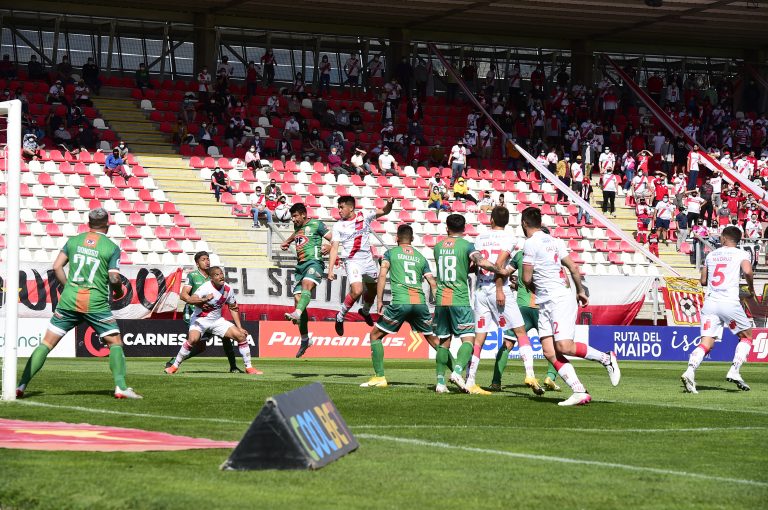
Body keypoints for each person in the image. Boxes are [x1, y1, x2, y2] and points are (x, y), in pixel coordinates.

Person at [16, 208, 141, 399]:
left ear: (88, 223)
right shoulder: (111, 247)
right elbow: (115, 278)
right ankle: (121, 387)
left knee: (46, 344)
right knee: (115, 343)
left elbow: (57, 266)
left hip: (69, 300)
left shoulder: (74, 241)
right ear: (107, 224)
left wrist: (68, 287)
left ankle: (21, 386)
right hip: (95, 303)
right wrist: (117, 292)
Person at [520, 206, 620, 406]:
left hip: (557, 299)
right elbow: (573, 267)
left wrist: (532, 286)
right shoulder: (556, 241)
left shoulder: (530, 244)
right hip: (549, 301)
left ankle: (606, 358)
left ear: (524, 223)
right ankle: (579, 390)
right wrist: (580, 291)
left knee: (564, 346)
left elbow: (526, 278)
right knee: (549, 351)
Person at [462, 207, 543, 396]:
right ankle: (530, 374)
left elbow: (475, 265)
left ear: (491, 220)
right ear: (507, 221)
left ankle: (470, 380)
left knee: (479, 338)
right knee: (520, 332)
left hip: (480, 291)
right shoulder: (510, 238)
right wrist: (499, 289)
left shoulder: (480, 238)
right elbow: (500, 266)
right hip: (498, 290)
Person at [434, 214, 509, 392]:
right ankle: (458, 371)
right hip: (459, 298)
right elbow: (480, 261)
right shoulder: (468, 246)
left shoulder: (437, 247)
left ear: (447, 228)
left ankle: (440, 383)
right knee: (469, 339)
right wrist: (499, 269)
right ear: (465, 228)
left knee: (444, 342)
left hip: (441, 299)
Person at [360, 225, 440, 388]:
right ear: (412, 239)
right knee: (434, 341)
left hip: (400, 303)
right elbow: (432, 282)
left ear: (397, 238)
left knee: (375, 336)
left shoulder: (390, 254)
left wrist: (379, 300)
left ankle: (380, 377)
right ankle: (458, 373)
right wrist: (439, 304)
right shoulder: (421, 257)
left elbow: (382, 275)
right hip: (419, 304)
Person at [681, 226, 755, 393]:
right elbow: (748, 271)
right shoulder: (741, 254)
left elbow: (703, 280)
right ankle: (735, 370)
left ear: (723, 238)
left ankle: (690, 371)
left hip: (710, 303)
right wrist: (750, 288)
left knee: (706, 343)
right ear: (737, 240)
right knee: (747, 336)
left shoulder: (711, 255)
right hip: (729, 302)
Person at [492, 226, 561, 393]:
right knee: (555, 346)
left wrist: (507, 285)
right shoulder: (549, 255)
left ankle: (496, 381)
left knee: (507, 344)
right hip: (541, 308)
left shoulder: (521, 254)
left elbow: (505, 272)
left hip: (522, 307)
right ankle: (550, 377)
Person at [165, 267, 260, 375]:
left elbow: (233, 308)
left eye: (221, 274)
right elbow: (190, 299)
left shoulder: (228, 289)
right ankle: (174, 366)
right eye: (217, 275)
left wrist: (240, 327)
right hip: (200, 318)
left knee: (241, 336)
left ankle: (249, 368)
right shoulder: (206, 287)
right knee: (192, 339)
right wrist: (203, 299)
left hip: (216, 321)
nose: (221, 276)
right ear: (211, 278)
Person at [163, 252, 241, 373]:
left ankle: (233, 366)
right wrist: (199, 302)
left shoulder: (214, 277)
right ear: (197, 263)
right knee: (199, 345)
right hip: (196, 314)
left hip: (213, 316)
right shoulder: (193, 276)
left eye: (208, 259)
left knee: (224, 338)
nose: (207, 262)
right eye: (203, 259)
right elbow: (183, 295)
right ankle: (174, 362)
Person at [327, 196, 395, 335]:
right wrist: (330, 269)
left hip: (368, 260)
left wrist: (389, 204)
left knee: (375, 289)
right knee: (357, 290)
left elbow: (385, 211)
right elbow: (334, 248)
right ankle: (340, 317)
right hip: (352, 261)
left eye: (341, 207)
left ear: (351, 208)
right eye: (338, 207)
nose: (339, 210)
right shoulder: (338, 225)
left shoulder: (364, 216)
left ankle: (364, 311)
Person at [282, 203, 333, 357]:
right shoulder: (297, 228)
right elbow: (296, 234)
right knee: (298, 298)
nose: (293, 219)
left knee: (306, 286)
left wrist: (330, 247)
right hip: (300, 267)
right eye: (292, 216)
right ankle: (305, 339)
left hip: (315, 263)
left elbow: (335, 239)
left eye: (295, 216)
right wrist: (287, 241)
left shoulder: (316, 224)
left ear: (304, 214)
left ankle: (297, 313)